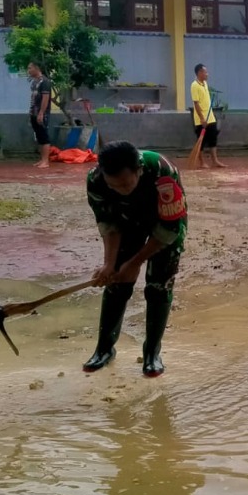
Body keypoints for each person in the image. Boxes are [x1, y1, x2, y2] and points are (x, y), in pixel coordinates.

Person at [85, 141, 187, 377]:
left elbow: (169, 230)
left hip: (165, 222)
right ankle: (104, 349)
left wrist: (134, 263)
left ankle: (152, 353)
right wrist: (109, 264)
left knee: (159, 286)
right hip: (127, 222)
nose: (120, 190)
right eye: (114, 186)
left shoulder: (163, 171)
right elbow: (109, 224)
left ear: (139, 170)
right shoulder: (95, 180)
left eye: (126, 184)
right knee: (116, 283)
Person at [188, 63, 224, 169]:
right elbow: (196, 103)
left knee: (213, 138)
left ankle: (215, 161)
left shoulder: (205, 83)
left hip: (210, 116)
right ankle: (202, 162)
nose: (207, 74)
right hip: (201, 119)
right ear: (199, 72)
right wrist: (202, 118)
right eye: (205, 72)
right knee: (201, 141)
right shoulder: (194, 85)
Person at [27, 61, 52, 169]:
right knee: (39, 136)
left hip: (41, 113)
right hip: (34, 112)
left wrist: (41, 113)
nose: (28, 70)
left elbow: (45, 98)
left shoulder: (45, 82)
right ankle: (42, 159)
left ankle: (46, 161)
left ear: (36, 68)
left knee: (43, 135)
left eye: (30, 68)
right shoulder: (34, 82)